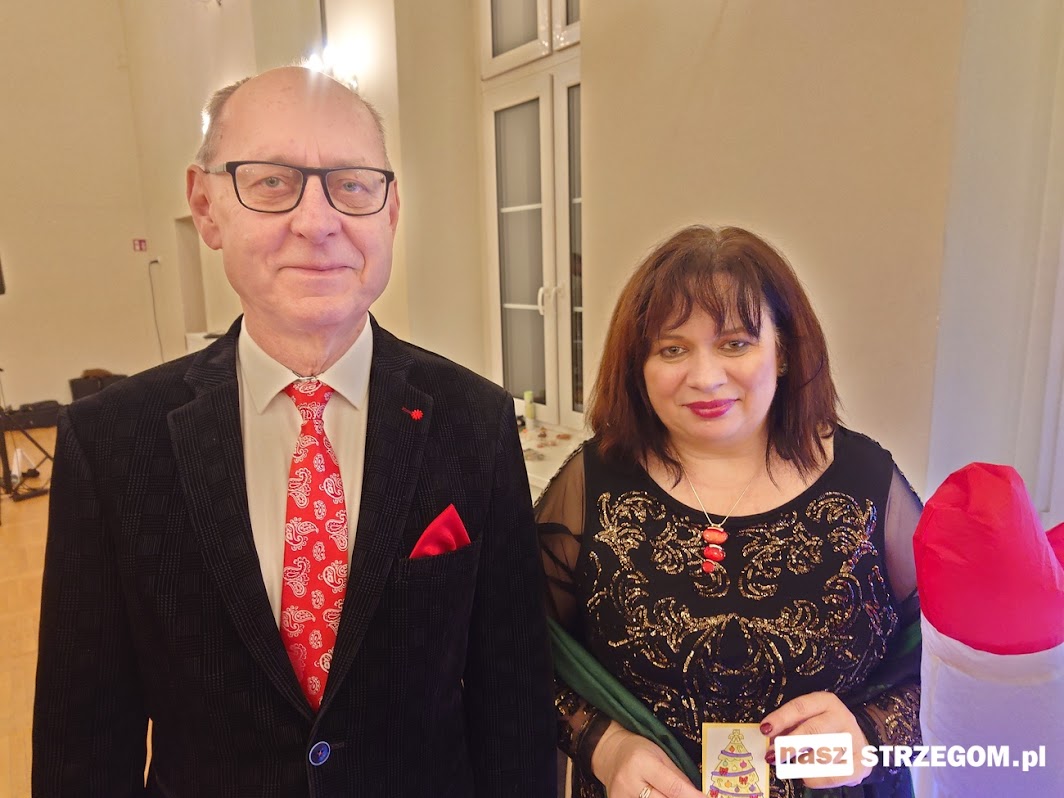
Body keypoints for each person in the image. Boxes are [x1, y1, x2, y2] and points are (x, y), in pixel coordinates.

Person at [32, 66, 556, 797]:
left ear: (391, 210)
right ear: (206, 207)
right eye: (273, 182)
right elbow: (85, 735)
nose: (317, 221)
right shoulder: (112, 442)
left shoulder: (474, 420)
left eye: (352, 184)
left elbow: (513, 698)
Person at [537, 225, 922, 798]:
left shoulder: (868, 484)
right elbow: (517, 650)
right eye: (672, 349)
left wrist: (870, 734)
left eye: (736, 343)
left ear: (783, 351)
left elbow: (949, 663)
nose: (705, 377)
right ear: (638, 365)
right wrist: (604, 745)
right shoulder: (591, 483)